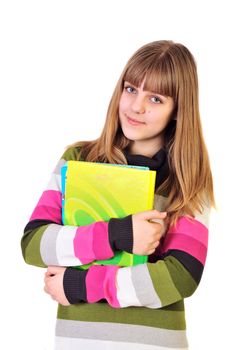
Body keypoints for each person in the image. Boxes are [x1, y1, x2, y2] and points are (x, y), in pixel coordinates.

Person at [21, 40, 215, 350]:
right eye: (130, 89)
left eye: (155, 98)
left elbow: (180, 278)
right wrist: (119, 233)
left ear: (178, 109)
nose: (137, 107)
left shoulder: (189, 179)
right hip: (79, 342)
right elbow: (34, 244)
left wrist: (79, 284)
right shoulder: (78, 159)